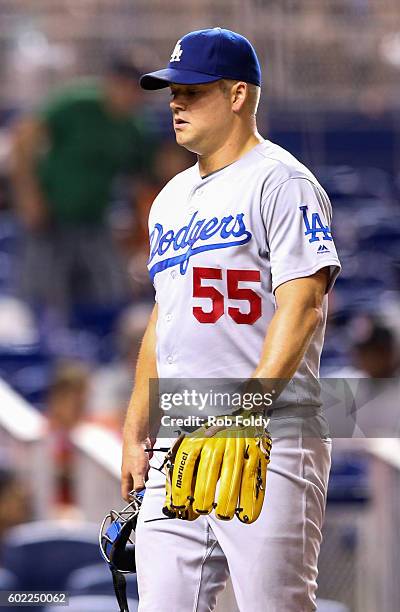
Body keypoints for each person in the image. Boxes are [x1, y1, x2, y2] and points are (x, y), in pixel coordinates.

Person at [121, 28, 341, 611]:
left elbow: (303, 304)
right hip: (179, 440)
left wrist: (248, 411)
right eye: (172, 92)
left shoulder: (281, 180)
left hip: (270, 436)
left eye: (192, 91)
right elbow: (164, 315)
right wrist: (136, 425)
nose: (176, 102)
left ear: (238, 95)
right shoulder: (170, 197)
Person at [11, 58, 153, 316]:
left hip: (94, 222)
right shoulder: (77, 103)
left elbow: (140, 183)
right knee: (42, 302)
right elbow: (24, 138)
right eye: (126, 86)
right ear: (112, 82)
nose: (131, 95)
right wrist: (28, 196)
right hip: (51, 219)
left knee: (111, 294)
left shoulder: (133, 126)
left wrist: (140, 238)